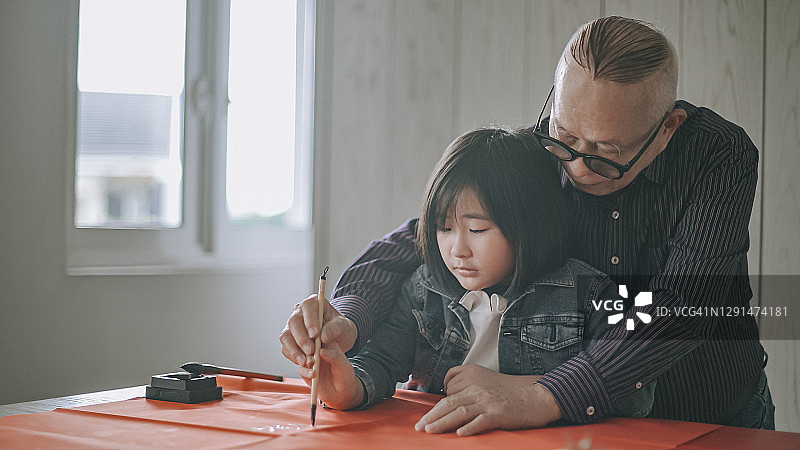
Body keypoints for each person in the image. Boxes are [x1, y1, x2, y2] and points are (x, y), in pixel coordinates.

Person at [281, 16, 775, 433]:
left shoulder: (720, 157)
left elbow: (684, 303)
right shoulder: (545, 147)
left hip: (708, 409)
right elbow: (426, 234)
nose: (577, 166)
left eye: (608, 153)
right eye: (565, 135)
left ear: (667, 130)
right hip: (581, 428)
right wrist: (348, 314)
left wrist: (544, 395)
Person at [296, 127, 655, 435]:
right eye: (444, 228)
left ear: (529, 226)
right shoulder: (426, 288)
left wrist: (525, 389)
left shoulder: (585, 292)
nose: (457, 250)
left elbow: (633, 392)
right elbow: (382, 359)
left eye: (478, 229)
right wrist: (348, 389)